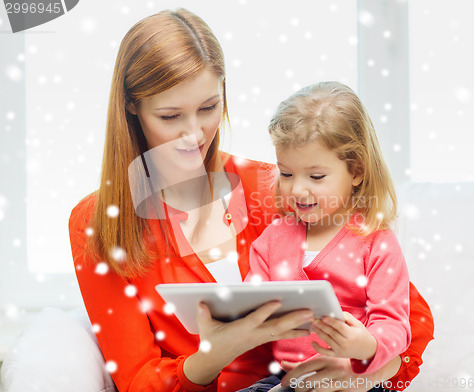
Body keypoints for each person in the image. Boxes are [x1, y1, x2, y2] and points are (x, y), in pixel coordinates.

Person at [68, 8, 434, 392]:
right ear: (131, 106)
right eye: (171, 116)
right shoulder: (97, 223)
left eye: (209, 108)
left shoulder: (279, 184)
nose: (194, 134)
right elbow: (137, 381)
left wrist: (364, 373)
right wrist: (211, 357)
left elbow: (413, 322)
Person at [240, 81, 413, 392]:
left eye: (316, 177)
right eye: (286, 173)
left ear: (356, 171)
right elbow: (251, 306)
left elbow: (394, 324)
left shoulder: (375, 242)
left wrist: (366, 346)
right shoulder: (271, 240)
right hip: (287, 379)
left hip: (354, 379)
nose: (297, 189)